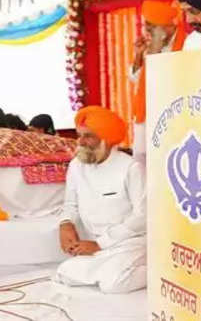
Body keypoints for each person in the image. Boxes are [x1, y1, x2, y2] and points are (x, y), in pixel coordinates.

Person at [55, 106, 146, 294]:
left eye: (88, 136)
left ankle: (160, 269)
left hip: (131, 242)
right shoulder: (76, 165)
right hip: (97, 245)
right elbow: (70, 204)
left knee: (113, 284)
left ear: (107, 139)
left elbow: (142, 217)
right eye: (79, 135)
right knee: (65, 272)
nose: (80, 142)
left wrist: (100, 244)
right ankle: (107, 268)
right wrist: (66, 224)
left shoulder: (131, 167)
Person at [130, 0, 186, 163]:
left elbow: (168, 80)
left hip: (172, 114)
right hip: (148, 112)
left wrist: (155, 51)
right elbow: (136, 80)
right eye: (146, 25)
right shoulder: (152, 44)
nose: (147, 30)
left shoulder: (186, 44)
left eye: (152, 26)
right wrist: (138, 55)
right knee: (144, 163)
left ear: (168, 27)